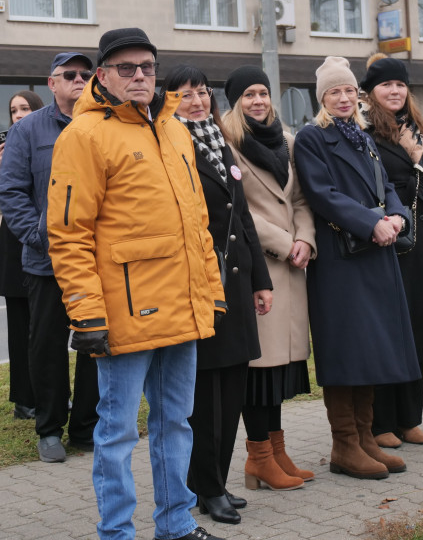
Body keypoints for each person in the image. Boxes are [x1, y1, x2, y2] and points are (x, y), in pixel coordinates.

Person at [46, 28, 227, 540]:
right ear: (102, 76)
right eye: (126, 68)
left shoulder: (174, 128)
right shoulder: (83, 135)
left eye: (147, 66)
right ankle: (117, 533)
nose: (140, 75)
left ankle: (175, 524)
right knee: (118, 433)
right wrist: (86, 313)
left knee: (176, 424)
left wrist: (210, 292)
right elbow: (67, 232)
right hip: (123, 314)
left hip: (183, 308)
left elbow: (197, 223)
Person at [293, 56, 419, 480]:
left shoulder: (362, 136)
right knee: (347, 350)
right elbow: (322, 194)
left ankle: (365, 438)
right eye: (335, 92)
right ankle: (344, 444)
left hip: (374, 255)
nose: (344, 98)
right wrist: (373, 224)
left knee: (370, 349)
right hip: (341, 260)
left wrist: (397, 217)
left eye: (349, 90)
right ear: (322, 98)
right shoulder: (313, 138)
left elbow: (387, 186)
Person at [163, 65, 272, 526]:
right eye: (185, 95)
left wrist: (261, 279)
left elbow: (242, 214)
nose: (197, 102)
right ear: (168, 101)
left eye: (202, 93)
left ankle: (216, 482)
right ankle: (205, 487)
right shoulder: (171, 145)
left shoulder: (214, 139)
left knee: (233, 389)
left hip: (237, 280)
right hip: (202, 285)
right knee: (207, 397)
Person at [0, 53, 101, 462]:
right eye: (69, 75)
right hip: (47, 261)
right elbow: (11, 192)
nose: (79, 80)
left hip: (96, 260)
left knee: (97, 344)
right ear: (52, 83)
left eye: (85, 74)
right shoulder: (27, 130)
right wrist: (40, 238)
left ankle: (87, 428)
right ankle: (49, 427)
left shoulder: (103, 123)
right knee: (47, 346)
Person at [221, 65, 315, 491]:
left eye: (262, 92)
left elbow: (298, 198)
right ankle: (258, 456)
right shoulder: (227, 143)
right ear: (235, 102)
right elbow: (238, 209)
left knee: (278, 370)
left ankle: (277, 452)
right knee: (259, 369)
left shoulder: (288, 141)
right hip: (257, 266)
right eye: (248, 95)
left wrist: (306, 240)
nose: (258, 100)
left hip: (293, 267)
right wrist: (283, 242)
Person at [360, 56, 423, 448]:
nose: (395, 91)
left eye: (400, 84)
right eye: (385, 85)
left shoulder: (415, 130)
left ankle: (411, 417)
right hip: (388, 238)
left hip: (419, 239)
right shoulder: (367, 133)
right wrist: (411, 161)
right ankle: (382, 421)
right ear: (371, 92)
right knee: (390, 328)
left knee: (416, 325)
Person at [0, 90, 45, 421]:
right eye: (12, 110)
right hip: (13, 250)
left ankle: (48, 394)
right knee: (21, 330)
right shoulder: (2, 150)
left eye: (24, 108)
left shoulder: (48, 142)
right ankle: (24, 399)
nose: (18, 115)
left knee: (46, 331)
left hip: (47, 246)